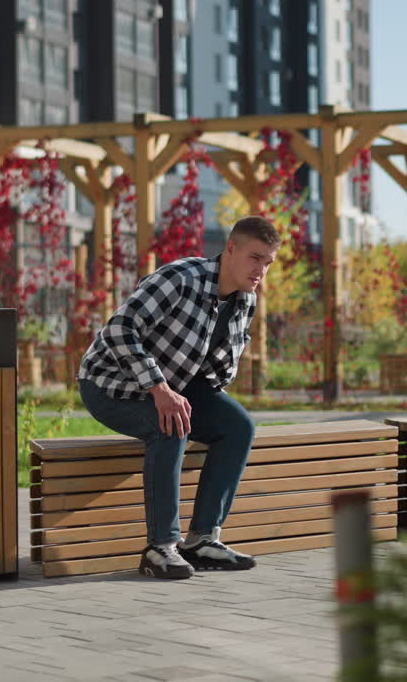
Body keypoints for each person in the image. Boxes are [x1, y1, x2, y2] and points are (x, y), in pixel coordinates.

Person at [77, 216, 281, 580]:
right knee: (169, 426)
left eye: (267, 262)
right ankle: (160, 548)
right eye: (255, 258)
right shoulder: (179, 279)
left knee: (238, 428)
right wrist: (159, 388)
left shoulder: (245, 300)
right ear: (230, 249)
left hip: (178, 386)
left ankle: (202, 539)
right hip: (110, 383)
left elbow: (216, 371)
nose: (260, 270)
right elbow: (119, 329)